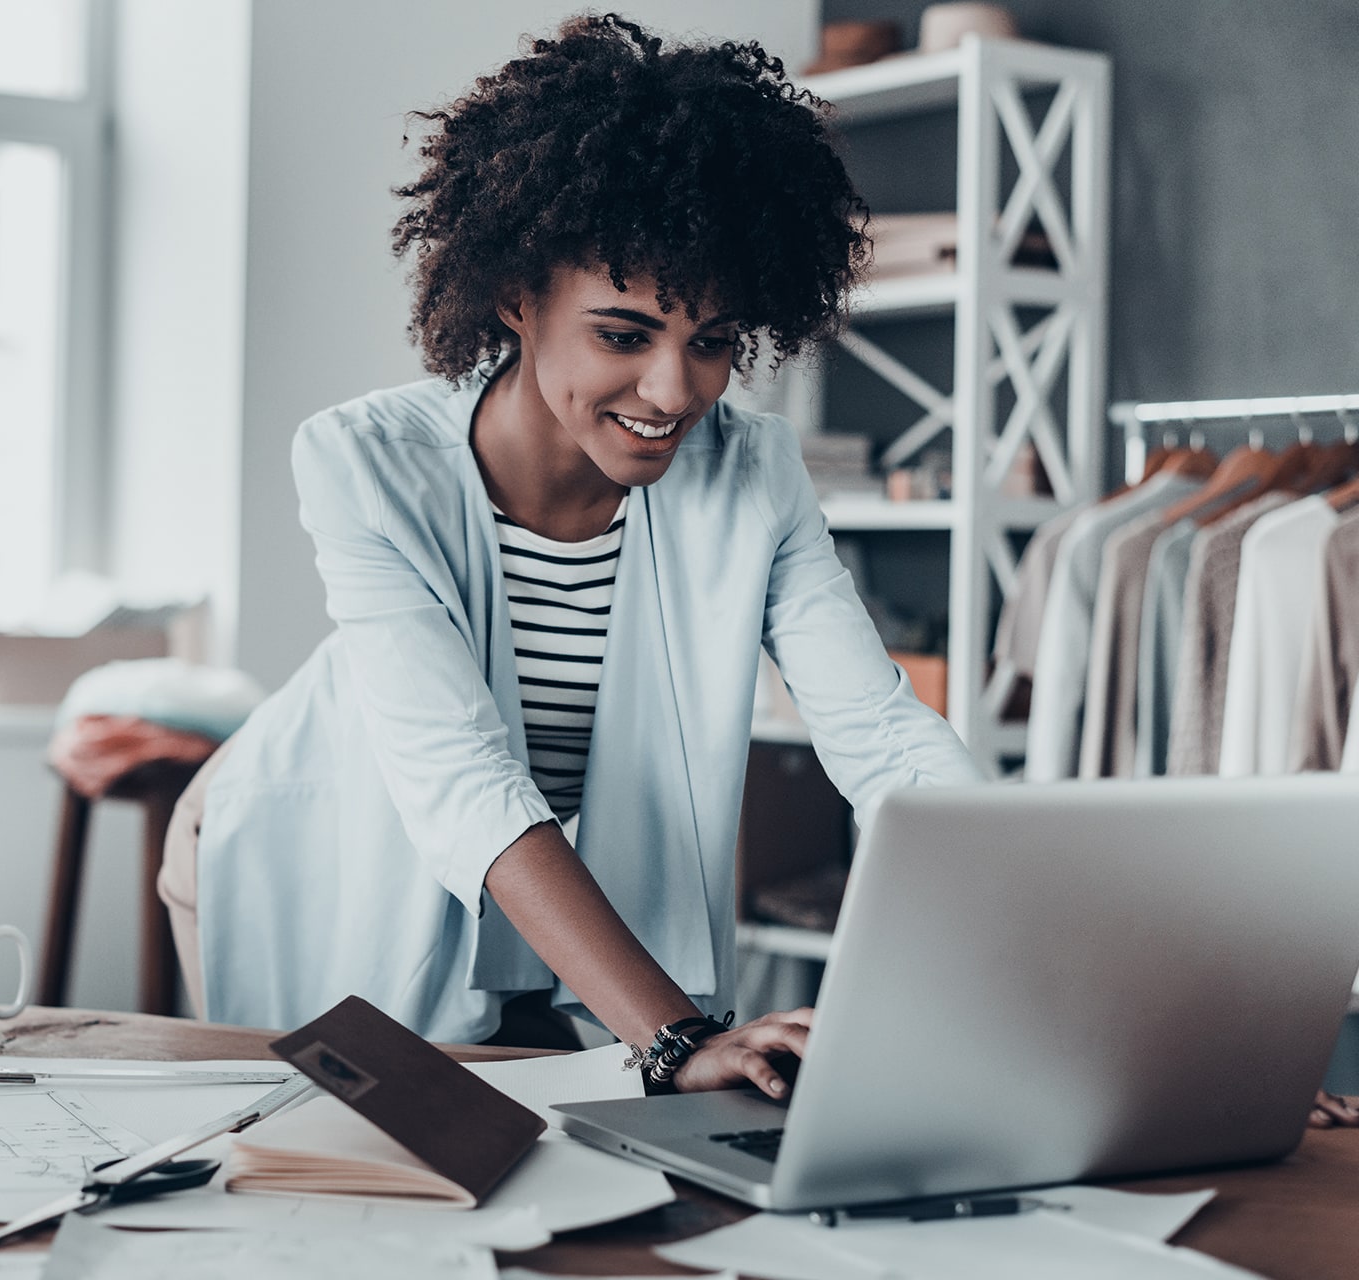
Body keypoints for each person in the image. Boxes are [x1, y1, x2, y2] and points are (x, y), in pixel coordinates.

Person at [157, 13, 1359, 1122]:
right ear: (518, 297)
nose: (673, 392)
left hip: (546, 880)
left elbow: (884, 741)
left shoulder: (752, 473)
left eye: (714, 341)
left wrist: (1131, 1021)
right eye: (624, 335)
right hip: (313, 840)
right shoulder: (364, 462)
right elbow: (463, 778)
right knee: (348, 1178)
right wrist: (676, 1037)